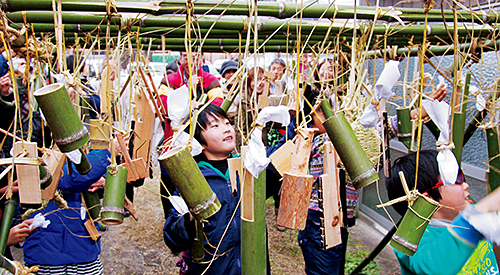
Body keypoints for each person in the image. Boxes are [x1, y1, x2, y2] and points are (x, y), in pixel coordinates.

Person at [386, 150, 500, 275]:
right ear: (428, 198)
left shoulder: (473, 219)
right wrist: (472, 222)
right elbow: (433, 269)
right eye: (457, 179)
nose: (466, 185)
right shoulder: (411, 241)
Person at [163, 104, 241, 275]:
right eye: (215, 125)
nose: (226, 129)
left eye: (227, 123)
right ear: (198, 142)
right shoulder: (192, 181)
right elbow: (172, 238)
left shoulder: (247, 170)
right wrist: (188, 222)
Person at [22, 140, 122, 274]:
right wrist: (107, 153)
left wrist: (102, 179)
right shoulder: (33, 143)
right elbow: (64, 179)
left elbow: (85, 179)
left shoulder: (78, 139)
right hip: (49, 253)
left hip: (82, 246)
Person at [158, 51, 221, 219]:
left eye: (195, 56)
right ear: (180, 59)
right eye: (186, 56)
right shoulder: (168, 80)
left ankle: (201, 218)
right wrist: (187, 90)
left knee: (198, 179)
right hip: (173, 140)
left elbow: (217, 107)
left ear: (202, 58)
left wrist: (197, 94)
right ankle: (172, 219)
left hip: (200, 142)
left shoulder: (210, 81)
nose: (190, 60)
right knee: (170, 181)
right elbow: (163, 108)